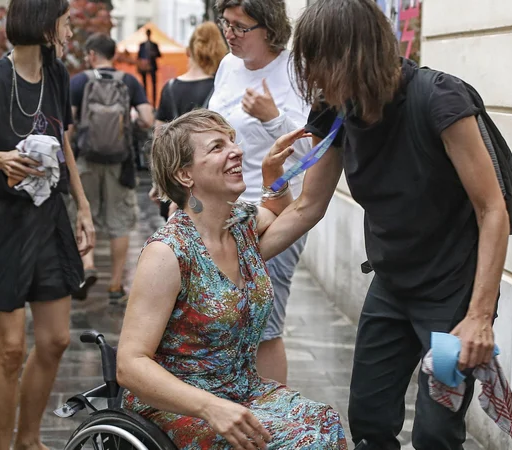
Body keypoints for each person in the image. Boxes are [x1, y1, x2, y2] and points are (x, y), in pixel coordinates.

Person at [257, 1, 511, 448]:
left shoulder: (440, 99)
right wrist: (234, 261)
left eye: (320, 65)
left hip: (451, 294)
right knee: (370, 422)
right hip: (391, 286)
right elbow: (307, 207)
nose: (314, 79)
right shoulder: (335, 109)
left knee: (436, 432)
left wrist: (479, 316)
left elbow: (492, 209)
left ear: (354, 54)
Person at [117, 109, 347, 449]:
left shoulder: (241, 226)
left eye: (233, 142)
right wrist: (209, 407)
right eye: (216, 147)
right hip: (179, 406)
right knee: (303, 442)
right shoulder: (168, 253)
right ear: (184, 174)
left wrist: (275, 174)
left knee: (325, 420)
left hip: (241, 388)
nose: (236, 151)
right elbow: (130, 365)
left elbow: (295, 210)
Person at [0, 0, 95, 447]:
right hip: (2, 223)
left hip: (49, 219)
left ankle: (29, 439)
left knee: (56, 339)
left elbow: (63, 142)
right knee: (8, 350)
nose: (69, 32)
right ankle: (4, 446)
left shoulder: (57, 74)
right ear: (46, 25)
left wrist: (82, 206)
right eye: (64, 23)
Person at [208, 0, 311, 385]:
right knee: (223, 322)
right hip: (220, 212)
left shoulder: (295, 71)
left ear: (268, 29)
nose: (229, 34)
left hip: (275, 211)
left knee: (264, 325)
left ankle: (275, 418)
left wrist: (272, 119)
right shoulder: (228, 66)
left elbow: (313, 153)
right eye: (226, 23)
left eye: (240, 27)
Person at [69, 33, 153, 302]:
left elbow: (68, 125)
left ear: (92, 55)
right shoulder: (128, 82)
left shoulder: (79, 81)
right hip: (120, 161)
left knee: (85, 213)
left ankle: (88, 265)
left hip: (85, 159)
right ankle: (116, 285)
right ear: (113, 55)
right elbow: (148, 118)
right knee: (119, 222)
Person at [151, 21, 227, 222]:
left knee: (176, 242)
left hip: (175, 176)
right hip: (208, 178)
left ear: (188, 51)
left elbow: (159, 140)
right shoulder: (220, 88)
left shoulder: (170, 87)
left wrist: (158, 182)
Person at [137, 28, 161, 106]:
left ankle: (154, 103)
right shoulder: (142, 45)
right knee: (144, 84)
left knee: (153, 84)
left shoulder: (154, 45)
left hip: (152, 66)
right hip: (144, 66)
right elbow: (139, 56)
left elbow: (159, 54)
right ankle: (145, 101)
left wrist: (153, 53)